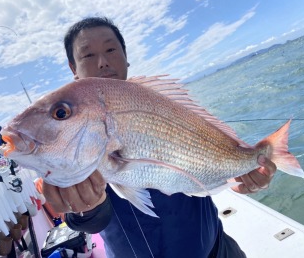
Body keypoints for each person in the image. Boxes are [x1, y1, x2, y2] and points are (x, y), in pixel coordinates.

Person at [42, 17, 277, 258]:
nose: (102, 62)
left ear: (125, 56)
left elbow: (212, 161)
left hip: (219, 249)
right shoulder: (73, 126)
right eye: (88, 55)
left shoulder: (164, 103)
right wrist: (84, 206)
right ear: (74, 69)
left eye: (111, 49)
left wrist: (245, 175)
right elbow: (90, 221)